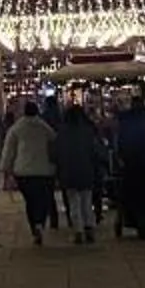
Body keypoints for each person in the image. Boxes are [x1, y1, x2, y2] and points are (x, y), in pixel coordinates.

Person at [0, 98, 59, 244]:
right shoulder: (44, 127)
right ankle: (40, 222)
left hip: (23, 171)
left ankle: (34, 226)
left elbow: (9, 150)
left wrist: (6, 169)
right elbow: (54, 143)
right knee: (43, 199)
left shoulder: (16, 128)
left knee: (30, 200)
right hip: (44, 170)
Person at [114, 92, 145, 239]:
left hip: (132, 167)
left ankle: (135, 221)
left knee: (134, 197)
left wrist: (123, 158)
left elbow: (122, 144)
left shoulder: (126, 122)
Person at [52, 100, 106, 242]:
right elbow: (96, 152)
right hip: (86, 170)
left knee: (73, 202)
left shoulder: (61, 133)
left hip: (68, 172)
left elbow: (55, 153)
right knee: (87, 201)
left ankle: (78, 230)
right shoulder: (88, 131)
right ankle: (89, 227)